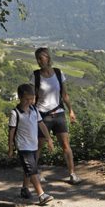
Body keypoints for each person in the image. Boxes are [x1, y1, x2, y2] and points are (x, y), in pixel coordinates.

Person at [32, 47, 81, 184]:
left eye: (42, 58)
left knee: (66, 145)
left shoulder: (59, 73)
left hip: (59, 114)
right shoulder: (35, 76)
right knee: (39, 146)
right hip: (42, 115)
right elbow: (33, 98)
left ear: (48, 58)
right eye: (38, 59)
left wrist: (71, 110)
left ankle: (72, 174)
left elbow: (64, 94)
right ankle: (34, 174)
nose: (40, 61)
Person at [8, 83, 55, 205]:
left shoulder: (34, 110)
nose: (30, 101)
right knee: (33, 170)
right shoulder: (15, 113)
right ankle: (41, 195)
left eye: (32, 98)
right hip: (23, 147)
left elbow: (42, 125)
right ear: (20, 97)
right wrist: (11, 147)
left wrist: (49, 139)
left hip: (33, 145)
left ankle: (24, 189)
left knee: (28, 169)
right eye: (27, 99)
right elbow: (11, 131)